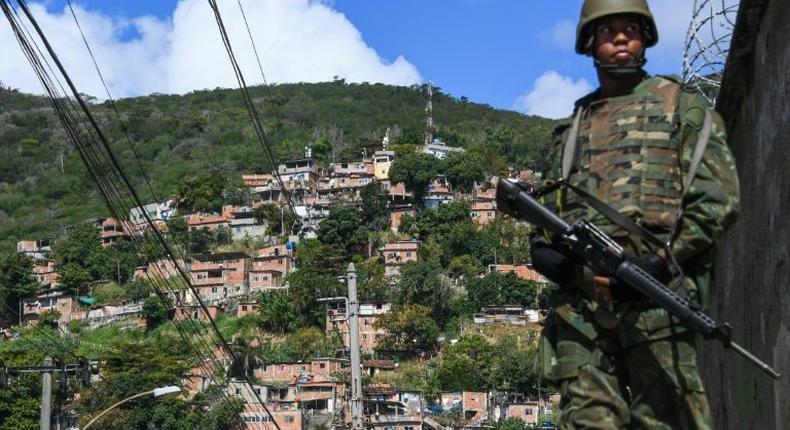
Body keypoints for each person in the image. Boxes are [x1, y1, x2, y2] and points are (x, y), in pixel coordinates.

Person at [528, 0, 740, 428]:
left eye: (631, 29)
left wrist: (658, 264)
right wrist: (566, 269)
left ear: (645, 39)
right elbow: (544, 226)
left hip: (658, 308)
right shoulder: (570, 133)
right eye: (608, 31)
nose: (621, 38)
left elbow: (718, 201)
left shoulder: (683, 110)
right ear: (589, 43)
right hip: (583, 317)